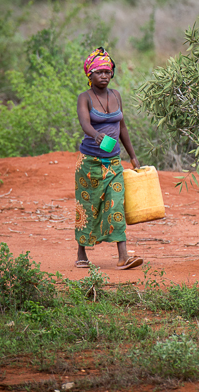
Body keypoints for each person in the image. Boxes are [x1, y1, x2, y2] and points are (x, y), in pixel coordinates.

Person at [73, 47, 143, 270]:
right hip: (90, 163)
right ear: (89, 75)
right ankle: (82, 253)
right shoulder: (84, 98)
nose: (104, 75)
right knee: (88, 208)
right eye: (99, 72)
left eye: (107, 71)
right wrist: (95, 134)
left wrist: (132, 156)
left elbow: (122, 127)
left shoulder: (116, 96)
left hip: (113, 162)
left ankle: (123, 257)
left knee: (116, 206)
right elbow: (85, 123)